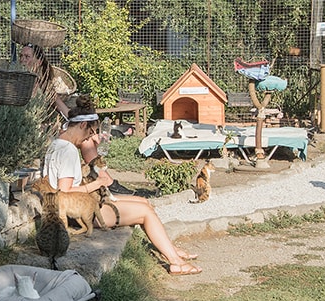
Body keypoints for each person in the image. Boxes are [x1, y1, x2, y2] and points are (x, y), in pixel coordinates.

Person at [44, 95, 202, 275]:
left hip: (80, 204)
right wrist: (98, 183)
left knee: (144, 202)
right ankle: (175, 262)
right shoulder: (68, 150)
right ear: (82, 125)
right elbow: (64, 192)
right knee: (145, 213)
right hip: (77, 212)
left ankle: (170, 249)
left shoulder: (57, 142)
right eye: (89, 133)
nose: (89, 139)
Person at [19, 43, 70, 120]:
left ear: (39, 62)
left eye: (27, 57)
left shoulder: (43, 84)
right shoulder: (16, 81)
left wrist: (75, 118)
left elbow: (61, 107)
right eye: (21, 56)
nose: (22, 60)